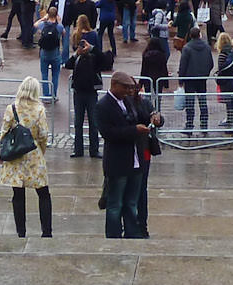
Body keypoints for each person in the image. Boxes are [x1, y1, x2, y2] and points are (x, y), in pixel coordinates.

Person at [95, 71, 160, 238]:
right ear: (114, 85)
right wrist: (134, 130)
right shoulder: (103, 105)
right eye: (125, 87)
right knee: (115, 204)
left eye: (131, 88)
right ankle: (114, 236)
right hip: (117, 162)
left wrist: (155, 116)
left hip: (136, 161)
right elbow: (108, 133)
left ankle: (132, 233)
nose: (128, 91)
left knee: (132, 203)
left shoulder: (128, 101)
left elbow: (143, 116)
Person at [0, 75, 53, 238]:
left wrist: (3, 153)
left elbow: (4, 133)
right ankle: (46, 231)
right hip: (33, 153)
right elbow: (43, 134)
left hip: (15, 154)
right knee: (43, 193)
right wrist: (41, 151)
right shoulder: (40, 110)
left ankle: (21, 232)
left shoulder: (11, 108)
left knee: (18, 195)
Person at [67, 25, 114, 157]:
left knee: (94, 123)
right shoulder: (77, 58)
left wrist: (92, 49)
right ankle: (78, 150)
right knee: (78, 123)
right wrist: (77, 53)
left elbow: (104, 60)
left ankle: (94, 150)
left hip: (91, 93)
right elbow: (67, 64)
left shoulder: (95, 57)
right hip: (78, 93)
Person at [176, 26, 214, 137]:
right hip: (202, 79)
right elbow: (210, 63)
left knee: (190, 104)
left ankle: (189, 126)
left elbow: (182, 65)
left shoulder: (187, 48)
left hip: (190, 79)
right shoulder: (206, 47)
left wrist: (181, 79)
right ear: (199, 35)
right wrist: (205, 73)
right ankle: (204, 126)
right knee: (203, 103)